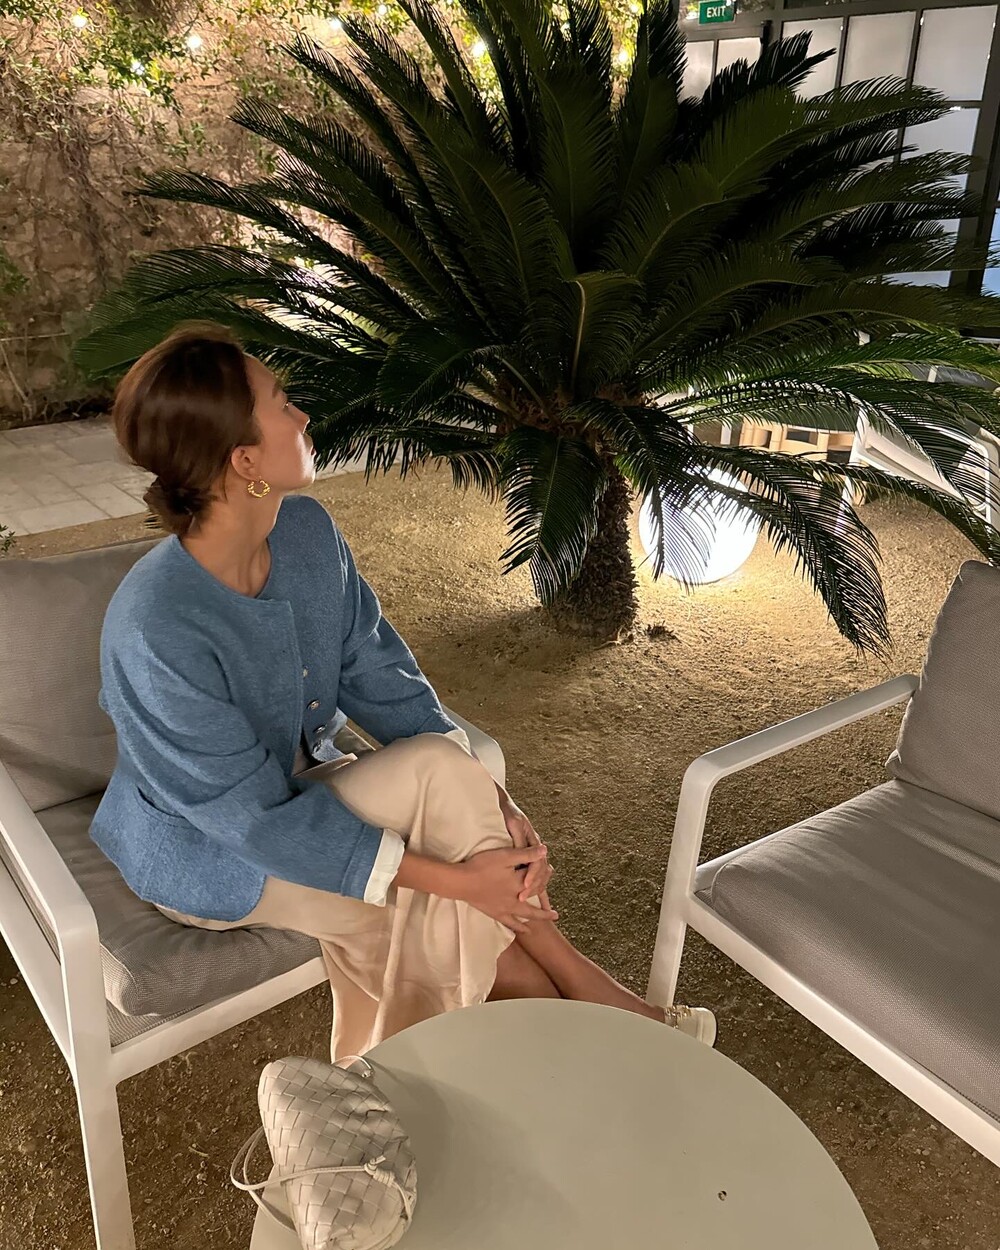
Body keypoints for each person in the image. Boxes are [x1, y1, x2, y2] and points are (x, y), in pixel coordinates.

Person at [92, 323, 716, 1060]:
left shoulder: (305, 532)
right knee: (440, 907)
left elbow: (377, 670)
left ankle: (559, 1032)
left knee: (443, 777)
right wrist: (462, 881)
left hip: (310, 790)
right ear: (244, 460)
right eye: (282, 402)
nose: (303, 414)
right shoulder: (156, 626)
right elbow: (252, 824)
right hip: (213, 852)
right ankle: (599, 1018)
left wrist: (498, 805)